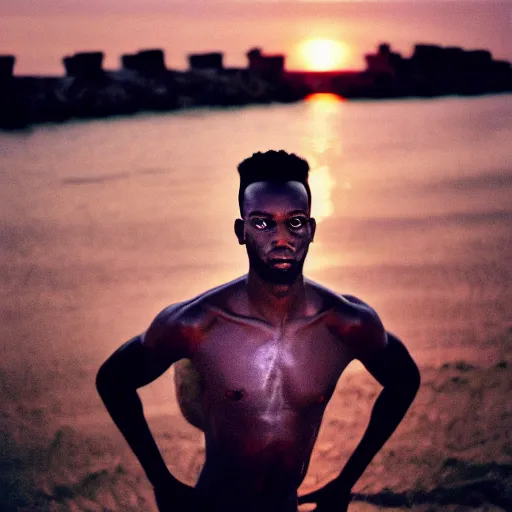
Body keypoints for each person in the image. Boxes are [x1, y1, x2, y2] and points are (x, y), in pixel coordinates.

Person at [96, 150, 420, 512]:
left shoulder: (346, 324)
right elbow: (113, 381)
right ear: (241, 231)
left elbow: (404, 380)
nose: (282, 239)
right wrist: (162, 481)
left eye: (295, 222)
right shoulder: (196, 324)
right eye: (263, 223)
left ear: (311, 230)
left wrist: (345, 482)